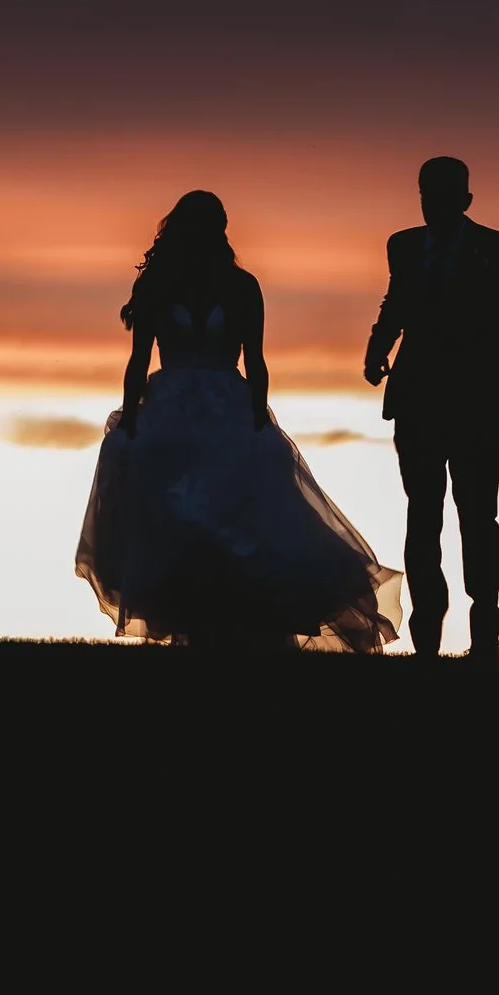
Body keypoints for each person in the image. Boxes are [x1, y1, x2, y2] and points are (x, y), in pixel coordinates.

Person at [76, 190, 400, 651]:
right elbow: (138, 359)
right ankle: (193, 621)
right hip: (171, 409)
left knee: (237, 514)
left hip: (227, 404)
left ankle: (232, 620)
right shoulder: (157, 286)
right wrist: (130, 417)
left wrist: (258, 418)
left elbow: (257, 360)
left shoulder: (243, 287)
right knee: (176, 515)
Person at [365, 157, 499, 660]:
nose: (433, 206)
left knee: (477, 515)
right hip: (417, 395)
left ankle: (484, 635)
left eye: (443, 197)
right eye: (426, 196)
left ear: (466, 201)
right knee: (422, 514)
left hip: (478, 399)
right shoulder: (402, 246)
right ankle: (428, 640)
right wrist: (378, 346)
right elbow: (396, 302)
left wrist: (482, 338)